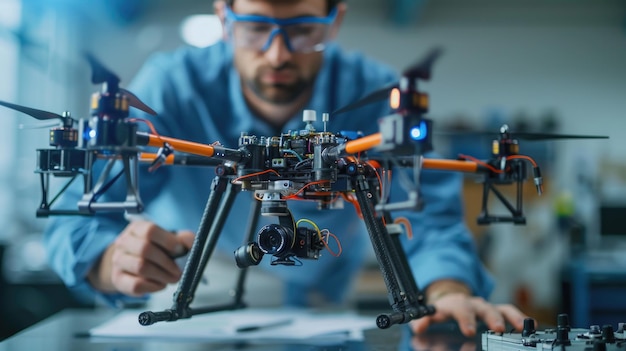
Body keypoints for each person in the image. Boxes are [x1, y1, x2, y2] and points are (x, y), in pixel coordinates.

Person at [43, 0, 530, 337]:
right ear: (224, 16)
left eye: (301, 30)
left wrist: (446, 290)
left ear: (334, 20)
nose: (277, 54)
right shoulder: (171, 88)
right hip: (196, 283)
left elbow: (427, 217)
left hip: (321, 305)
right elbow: (79, 210)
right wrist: (110, 262)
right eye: (256, 27)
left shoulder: (380, 97)